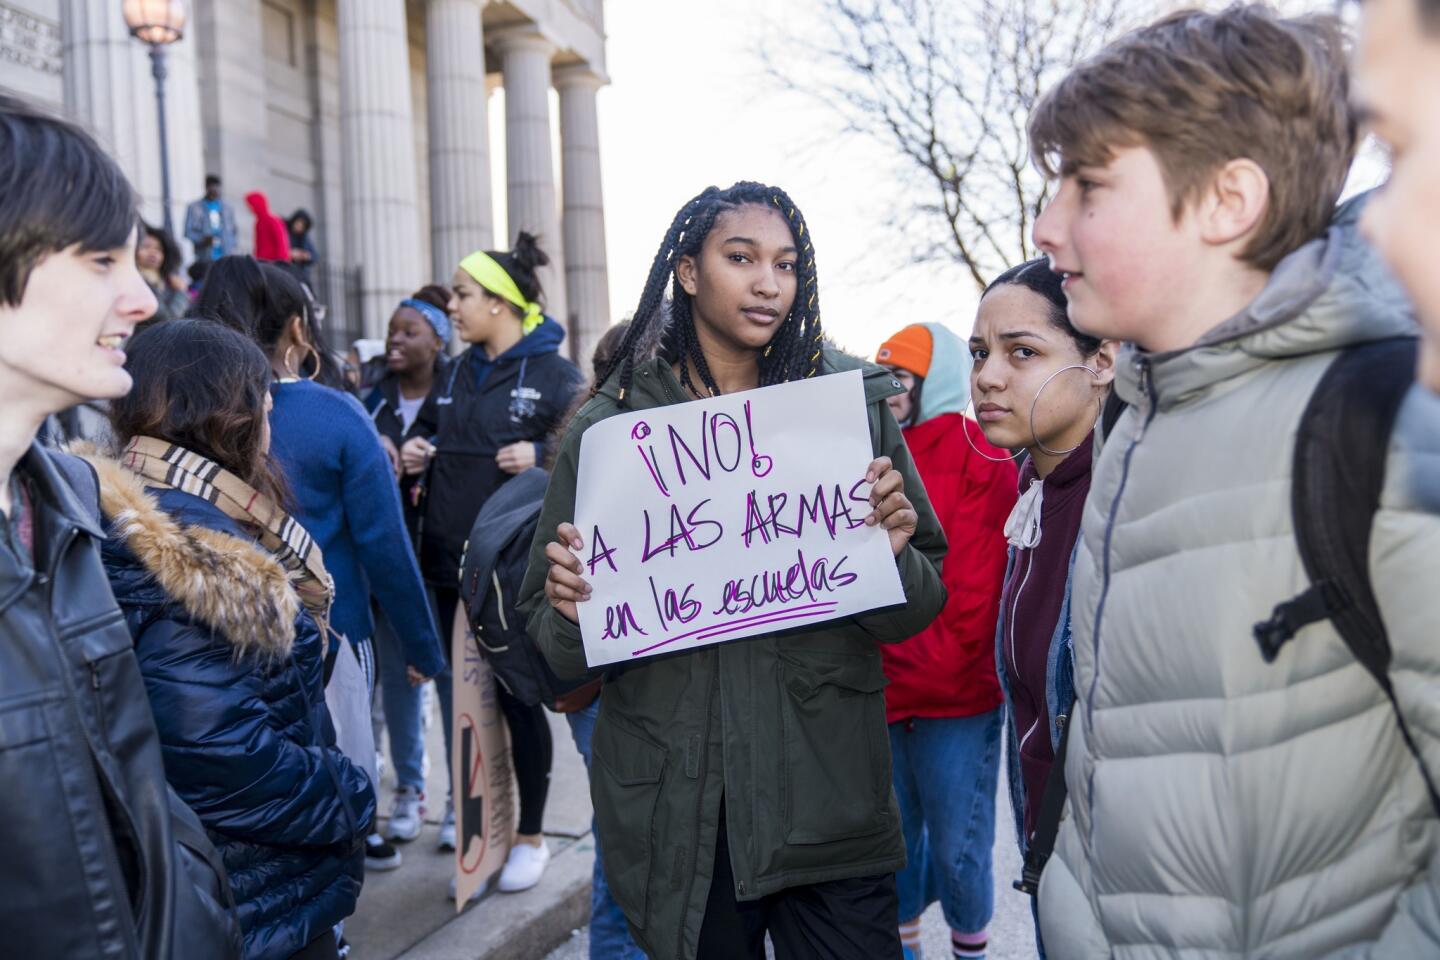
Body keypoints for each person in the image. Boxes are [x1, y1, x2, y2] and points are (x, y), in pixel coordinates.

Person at [1026, 5, 1440, 956]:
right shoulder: (1135, 414)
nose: (1047, 226)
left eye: (1088, 186)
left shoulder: (1383, 419)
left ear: (1228, 201)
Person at [520, 181, 949, 960]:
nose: (767, 283)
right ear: (686, 272)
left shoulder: (846, 406)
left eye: (786, 265)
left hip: (831, 808)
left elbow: (921, 602)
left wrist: (891, 555)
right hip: (684, 823)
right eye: (741, 258)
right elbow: (551, 646)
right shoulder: (612, 432)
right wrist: (571, 609)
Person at [0, 93, 239, 960]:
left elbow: (131, 791)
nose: (143, 298)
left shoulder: (63, 505)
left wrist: (195, 912)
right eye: (102, 259)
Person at [90, 318, 375, 960]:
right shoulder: (193, 552)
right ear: (232, 418)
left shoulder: (137, 506)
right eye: (265, 408)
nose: (271, 429)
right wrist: (349, 793)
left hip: (228, 883)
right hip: (244, 894)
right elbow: (220, 754)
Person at [197, 256, 447, 873]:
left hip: (210, 633)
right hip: (330, 636)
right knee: (337, 797)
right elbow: (383, 545)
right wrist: (423, 646)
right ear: (299, 334)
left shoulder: (181, 414)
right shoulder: (336, 414)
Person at [400, 232, 584, 892]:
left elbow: (588, 460)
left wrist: (542, 455)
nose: (452, 305)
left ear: (502, 304)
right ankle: (484, 826)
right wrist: (418, 447)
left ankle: (532, 835)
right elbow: (437, 436)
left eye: (464, 293)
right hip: (449, 570)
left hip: (512, 580)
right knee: (468, 707)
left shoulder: (557, 375)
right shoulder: (454, 371)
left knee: (518, 701)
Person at [964, 261, 1116, 958]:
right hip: (1052, 861)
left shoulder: (1125, 506)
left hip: (1117, 884)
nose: (989, 376)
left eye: (1022, 352)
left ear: (1102, 361)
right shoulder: (1034, 491)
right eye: (980, 353)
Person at [874, 322, 1018, 960]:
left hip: (956, 694)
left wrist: (952, 661)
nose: (890, 389)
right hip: (883, 689)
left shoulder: (980, 449)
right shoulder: (871, 450)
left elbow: (982, 578)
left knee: (961, 846)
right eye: (885, 375)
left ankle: (971, 951)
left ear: (932, 380)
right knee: (894, 844)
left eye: (901, 375)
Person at [363, 285, 452, 843]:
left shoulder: (462, 392)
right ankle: (410, 789)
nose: (396, 339)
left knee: (450, 686)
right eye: (392, 330)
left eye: (409, 331)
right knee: (399, 685)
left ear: (438, 341)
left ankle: (461, 806)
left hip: (445, 566)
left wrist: (435, 453)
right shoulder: (370, 399)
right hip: (391, 571)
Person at [136, 220, 188, 327]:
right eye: (146, 246)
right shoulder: (135, 282)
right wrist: (181, 292)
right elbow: (167, 319)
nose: (153, 252)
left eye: (158, 249)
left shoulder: (169, 282)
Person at [185, 173, 239, 261]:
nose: (215, 190)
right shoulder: (194, 207)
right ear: (206, 187)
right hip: (204, 256)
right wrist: (202, 239)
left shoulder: (227, 208)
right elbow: (188, 232)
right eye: (212, 187)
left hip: (226, 255)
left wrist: (232, 245)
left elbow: (234, 230)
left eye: (217, 187)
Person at [247, 191, 292, 263]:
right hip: (261, 262)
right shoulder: (258, 223)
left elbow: (281, 242)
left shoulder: (272, 220)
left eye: (250, 206)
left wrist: (282, 262)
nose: (249, 209)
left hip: (273, 263)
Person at [288, 208, 319, 283]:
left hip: (300, 274)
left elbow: (315, 256)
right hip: (287, 270)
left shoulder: (304, 237)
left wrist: (306, 256)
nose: (299, 226)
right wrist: (290, 254)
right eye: (298, 222)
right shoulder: (284, 231)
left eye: (303, 225)